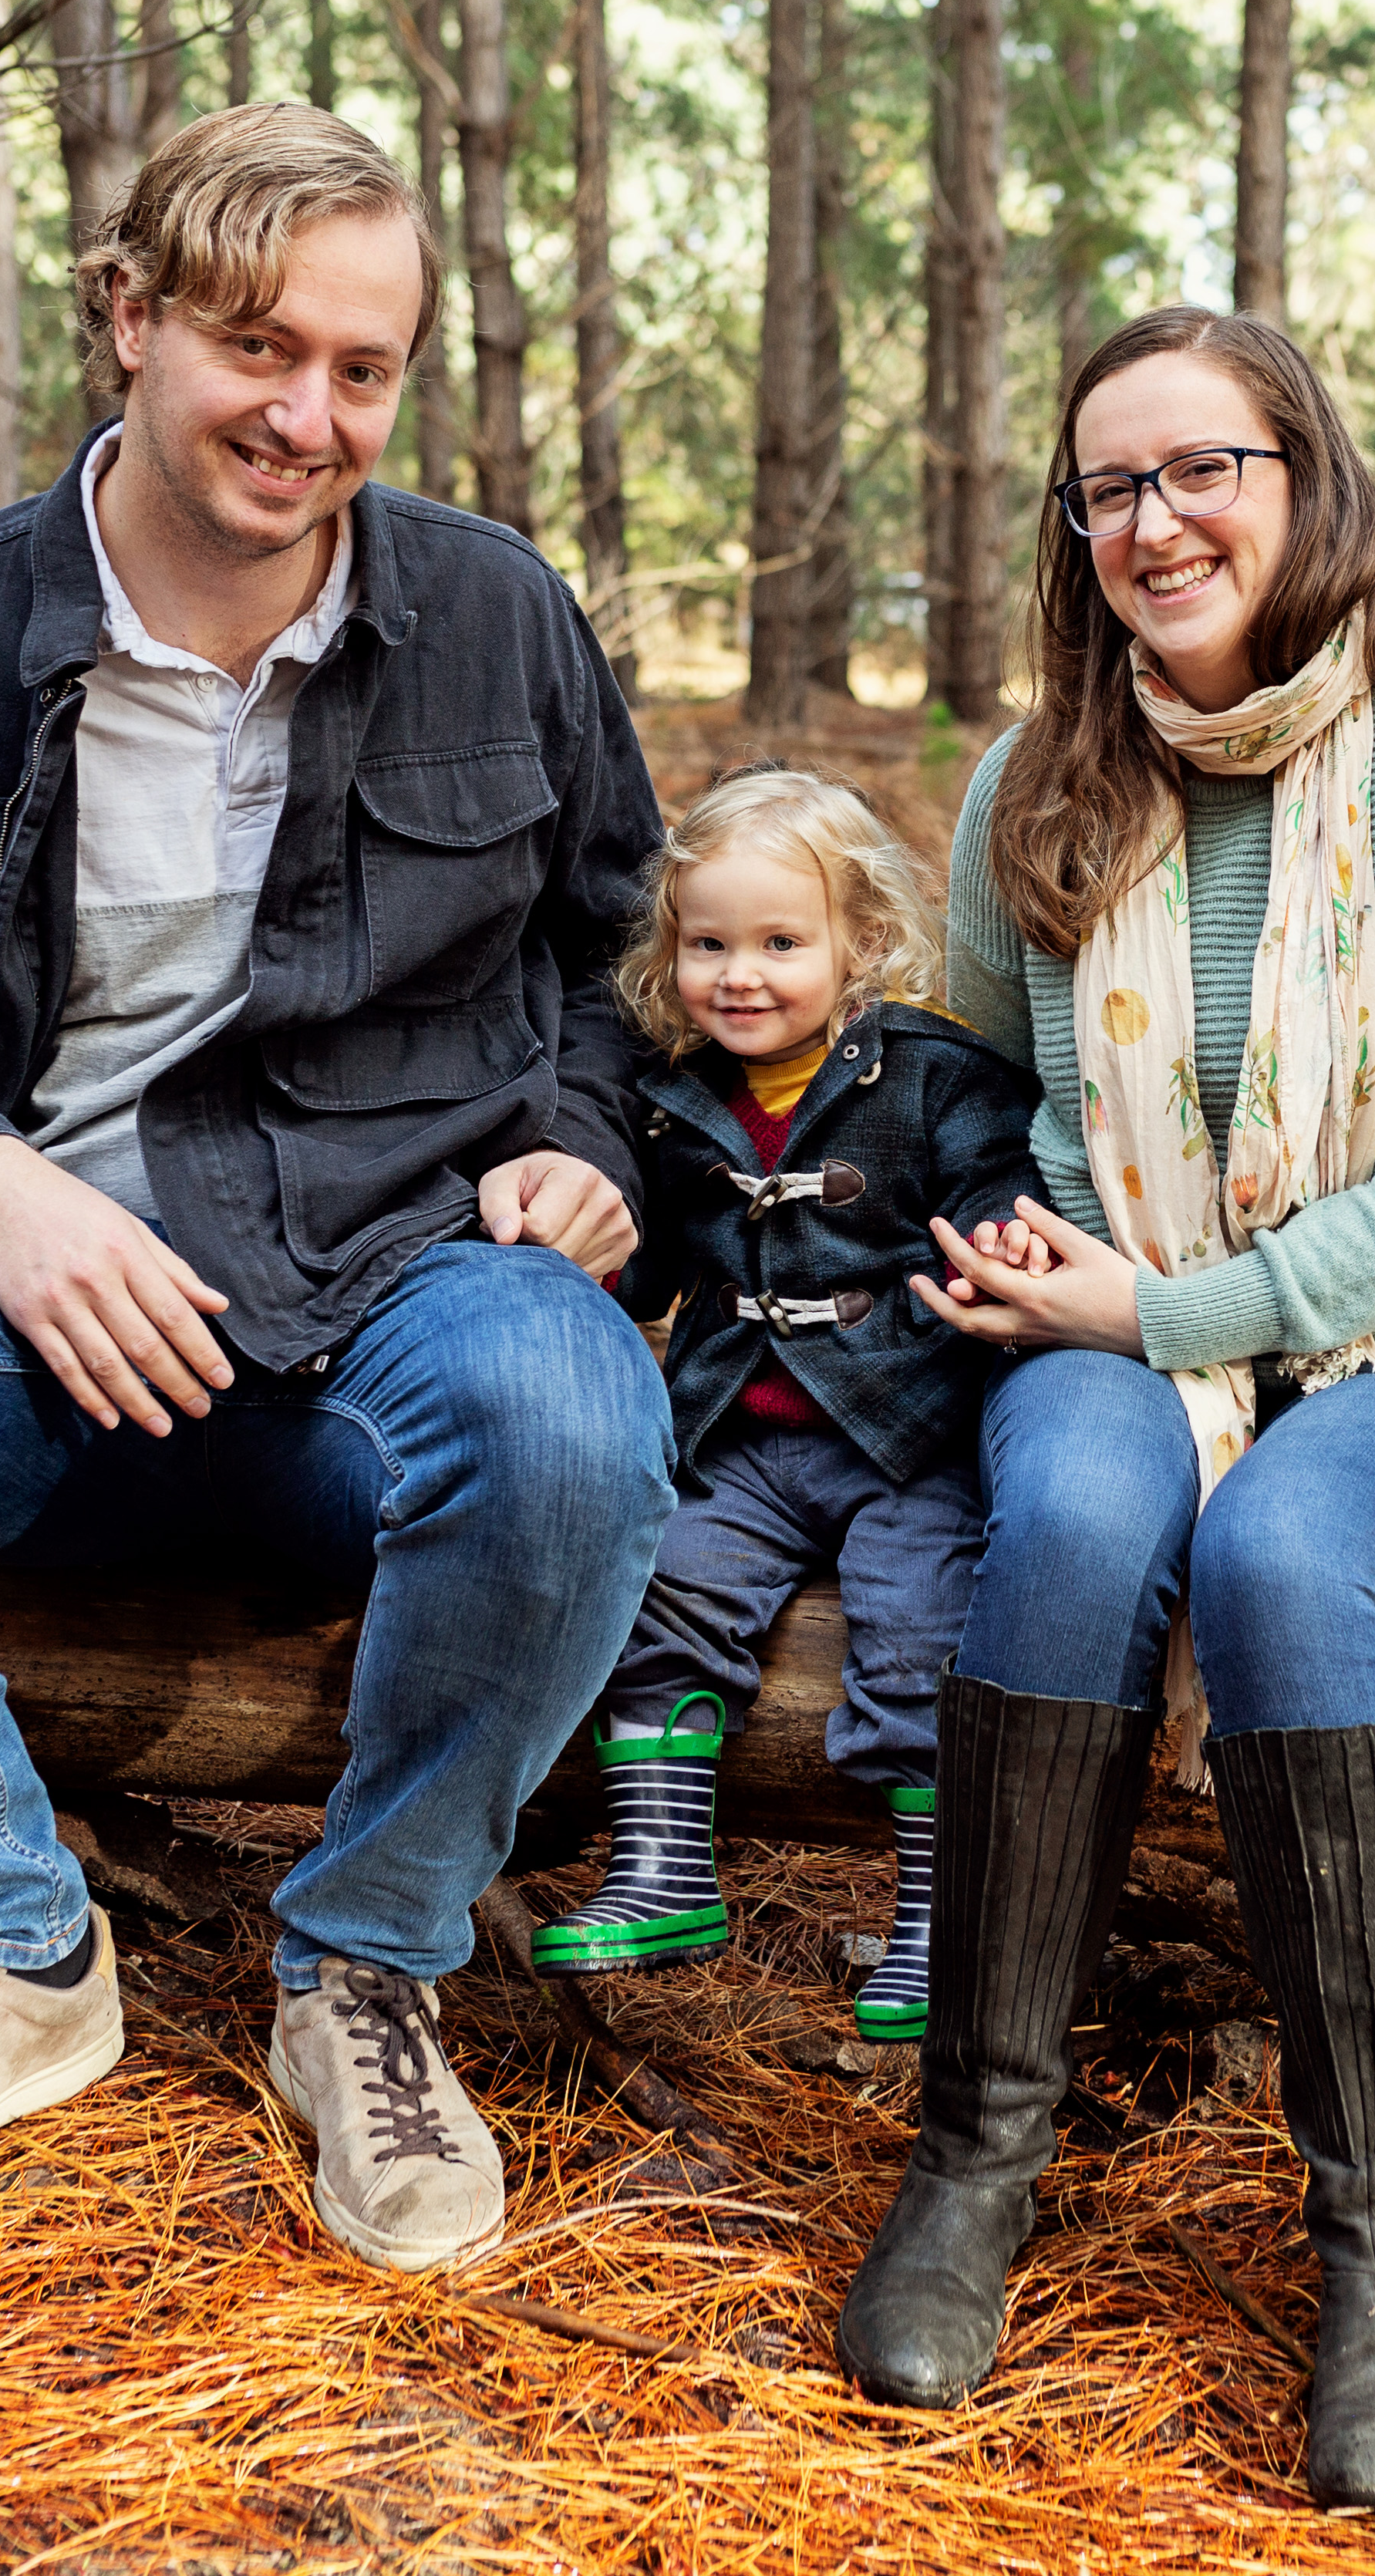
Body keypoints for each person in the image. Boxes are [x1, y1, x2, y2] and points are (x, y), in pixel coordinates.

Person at [0, 104, 672, 2278]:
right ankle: (4, 1949)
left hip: (383, 1320)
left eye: (360, 368)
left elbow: (617, 965)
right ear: (129, 317)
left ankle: (365, 1967)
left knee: (574, 1414)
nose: (306, 415)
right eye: (255, 347)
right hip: (25, 1353)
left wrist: (582, 1144)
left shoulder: (497, 621)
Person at [834, 307, 1375, 2510]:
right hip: (1092, 1333)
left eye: (1202, 472)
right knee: (1071, 1537)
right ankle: (975, 2157)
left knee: (1276, 1553)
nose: (1154, 523)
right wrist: (983, 1269)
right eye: (1109, 490)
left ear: (1303, 476)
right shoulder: (1034, 775)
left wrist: (1184, 1309)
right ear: (1072, 533)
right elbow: (970, 1101)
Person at [527, 765, 1039, 2042]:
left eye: (780, 943)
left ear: (860, 943)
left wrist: (994, 1240)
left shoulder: (931, 1076)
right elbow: (653, 1258)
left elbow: (991, 1179)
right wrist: (587, 1246)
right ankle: (663, 1873)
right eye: (709, 944)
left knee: (921, 1637)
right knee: (666, 1598)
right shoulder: (673, 1096)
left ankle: (938, 1921)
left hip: (907, 1434)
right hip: (739, 1435)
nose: (739, 975)